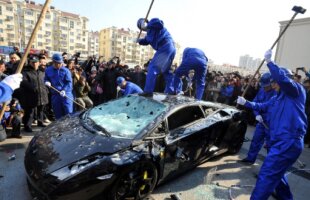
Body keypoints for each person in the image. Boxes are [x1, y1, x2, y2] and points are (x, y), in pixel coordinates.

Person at [236, 49, 307, 200]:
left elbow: (283, 81)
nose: (273, 86)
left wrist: (270, 63)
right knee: (277, 174)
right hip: (279, 141)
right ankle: (285, 197)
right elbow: (261, 106)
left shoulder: (296, 91)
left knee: (267, 174)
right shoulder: (276, 98)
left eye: (275, 83)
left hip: (288, 141)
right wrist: (246, 102)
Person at [240, 72, 276, 164]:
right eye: (263, 86)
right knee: (256, 140)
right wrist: (257, 115)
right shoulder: (261, 90)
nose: (264, 88)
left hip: (271, 124)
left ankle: (269, 167)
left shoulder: (276, 93)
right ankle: (250, 158)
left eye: (266, 86)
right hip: (261, 121)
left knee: (270, 146)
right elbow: (255, 103)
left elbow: (268, 107)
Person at [136, 18, 176, 96]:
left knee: (152, 67)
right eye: (141, 27)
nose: (142, 29)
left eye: (142, 25)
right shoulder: (149, 34)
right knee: (166, 70)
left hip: (165, 46)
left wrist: (148, 25)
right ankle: (172, 90)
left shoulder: (153, 22)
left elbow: (160, 24)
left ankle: (148, 91)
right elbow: (146, 41)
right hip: (169, 48)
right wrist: (139, 41)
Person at [19, 55, 49, 132]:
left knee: (41, 110)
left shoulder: (42, 72)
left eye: (36, 62)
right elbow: (23, 82)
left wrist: (46, 88)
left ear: (38, 63)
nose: (34, 64)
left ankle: (40, 121)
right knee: (30, 112)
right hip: (31, 95)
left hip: (42, 94)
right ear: (30, 63)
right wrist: (33, 87)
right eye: (32, 62)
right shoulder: (26, 72)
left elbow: (45, 81)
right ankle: (27, 125)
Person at [44, 53, 73, 119]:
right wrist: (47, 82)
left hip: (66, 94)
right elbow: (46, 79)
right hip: (55, 94)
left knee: (68, 112)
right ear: (53, 62)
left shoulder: (66, 71)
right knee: (58, 113)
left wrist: (64, 90)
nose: (60, 65)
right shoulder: (48, 70)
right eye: (58, 63)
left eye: (60, 63)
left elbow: (69, 82)